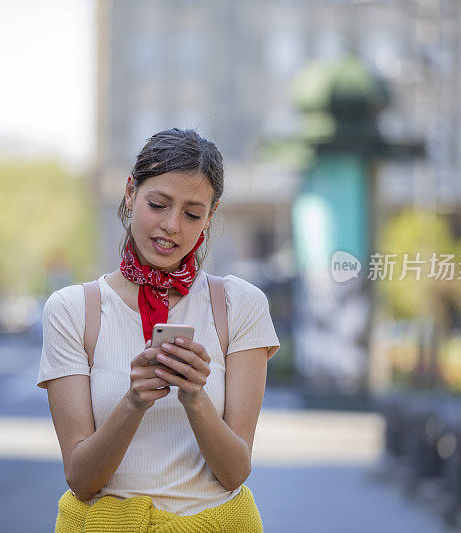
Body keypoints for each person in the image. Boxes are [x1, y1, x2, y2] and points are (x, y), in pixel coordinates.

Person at [36, 128, 280, 531]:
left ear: (210, 216)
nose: (171, 226)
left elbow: (236, 471)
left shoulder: (241, 305)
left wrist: (194, 396)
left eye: (192, 213)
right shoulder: (72, 309)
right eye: (158, 204)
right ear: (130, 193)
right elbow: (80, 478)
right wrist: (134, 401)